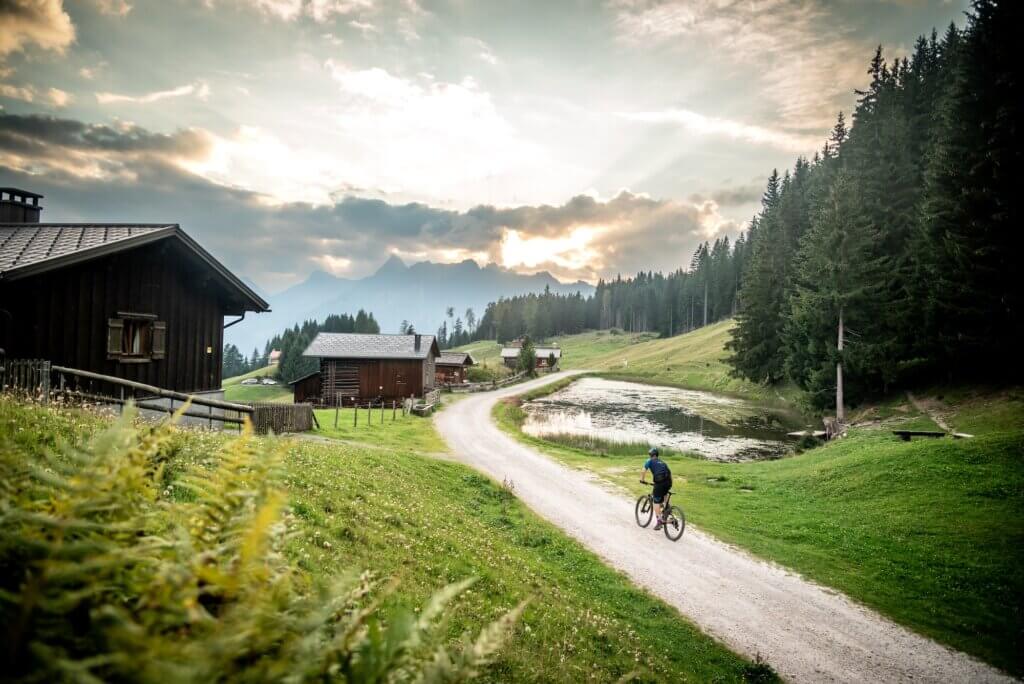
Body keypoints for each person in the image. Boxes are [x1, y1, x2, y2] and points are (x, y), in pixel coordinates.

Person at [640, 447, 672, 529]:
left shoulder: (649, 461)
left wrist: (642, 480)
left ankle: (659, 521)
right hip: (668, 482)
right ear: (657, 455)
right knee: (665, 493)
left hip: (659, 483)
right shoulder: (662, 462)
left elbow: (643, 471)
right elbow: (669, 473)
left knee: (656, 501)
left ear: (651, 455)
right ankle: (668, 509)